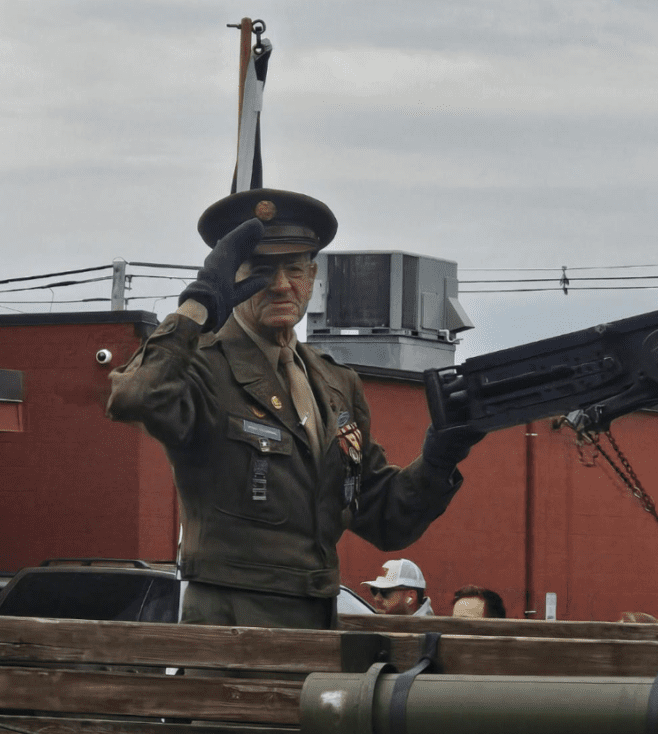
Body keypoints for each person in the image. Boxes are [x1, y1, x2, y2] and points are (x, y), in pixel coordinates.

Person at [107, 189, 481, 628]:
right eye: (262, 270)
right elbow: (133, 397)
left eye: (295, 268)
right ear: (233, 276)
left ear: (313, 275)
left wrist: (439, 458)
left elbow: (386, 519)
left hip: (316, 628)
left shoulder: (336, 383)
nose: (282, 285)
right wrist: (199, 304)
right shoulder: (203, 367)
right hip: (231, 632)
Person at [363, 558, 434, 615]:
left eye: (385, 592)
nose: (377, 598)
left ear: (411, 597)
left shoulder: (428, 631)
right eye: (374, 590)